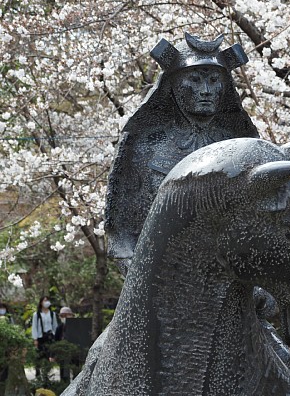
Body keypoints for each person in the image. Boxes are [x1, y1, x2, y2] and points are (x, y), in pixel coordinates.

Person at [104, 33, 258, 273]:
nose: (206, 90)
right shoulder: (147, 144)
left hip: (230, 273)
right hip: (165, 273)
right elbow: (122, 227)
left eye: (215, 80)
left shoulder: (240, 145)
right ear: (173, 85)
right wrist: (135, 267)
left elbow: (259, 215)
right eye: (195, 80)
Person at [31, 296, 58, 382]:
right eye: (45, 300)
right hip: (40, 337)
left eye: (48, 300)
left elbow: (55, 325)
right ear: (41, 302)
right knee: (39, 357)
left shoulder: (52, 314)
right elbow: (34, 327)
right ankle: (38, 376)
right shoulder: (37, 314)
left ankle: (47, 377)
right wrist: (35, 339)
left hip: (49, 337)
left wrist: (55, 335)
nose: (47, 302)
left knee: (48, 357)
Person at [55, 307, 77, 383]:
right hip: (63, 354)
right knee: (64, 374)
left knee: (76, 373)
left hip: (75, 353)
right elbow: (56, 341)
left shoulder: (77, 326)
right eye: (63, 316)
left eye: (67, 315)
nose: (65, 317)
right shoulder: (59, 328)